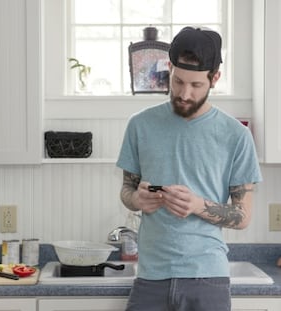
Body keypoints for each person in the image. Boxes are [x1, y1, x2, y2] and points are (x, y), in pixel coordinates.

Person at [116, 26, 262, 311]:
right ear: (169, 68)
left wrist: (197, 205)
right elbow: (127, 190)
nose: (184, 93)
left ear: (214, 78)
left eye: (196, 85)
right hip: (150, 277)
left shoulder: (236, 135)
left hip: (207, 278)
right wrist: (137, 199)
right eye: (178, 81)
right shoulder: (140, 125)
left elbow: (243, 216)